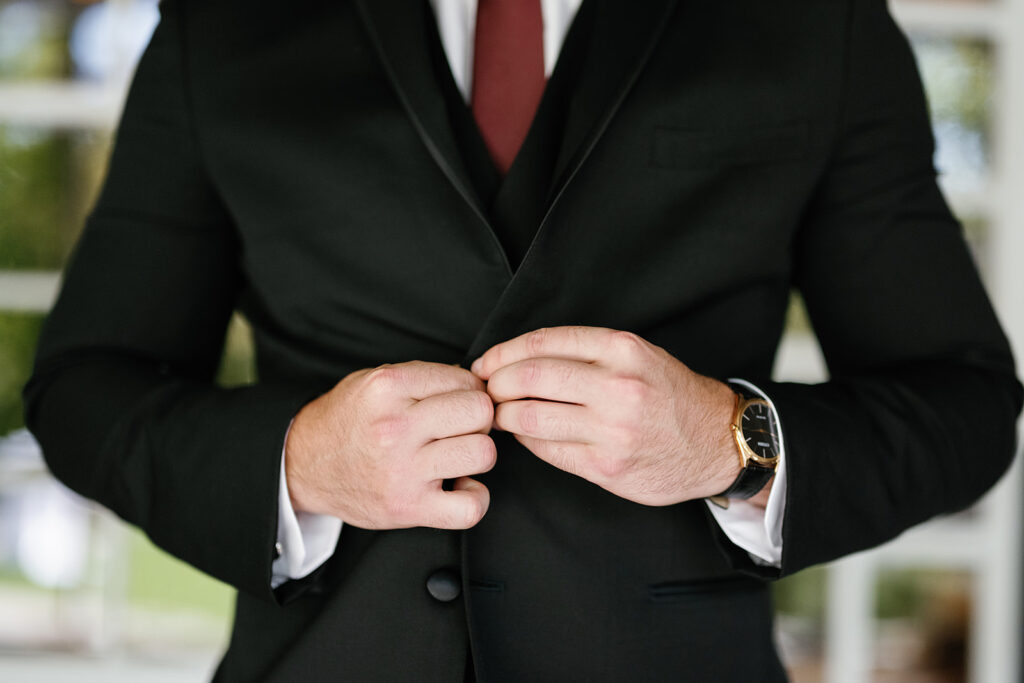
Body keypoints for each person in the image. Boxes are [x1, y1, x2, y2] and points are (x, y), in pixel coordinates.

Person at [23, 0, 1021, 680]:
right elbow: (84, 390)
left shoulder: (816, 22)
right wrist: (297, 463)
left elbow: (963, 403)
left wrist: (731, 440)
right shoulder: (221, 23)